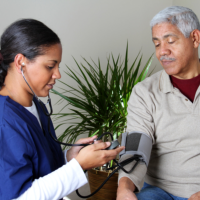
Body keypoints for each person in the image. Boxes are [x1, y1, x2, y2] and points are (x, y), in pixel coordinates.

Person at [0, 19, 124, 200]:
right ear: (20, 62)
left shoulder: (37, 107)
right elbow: (19, 197)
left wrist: (70, 157)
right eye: (50, 66)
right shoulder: (5, 121)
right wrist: (78, 166)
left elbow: (41, 167)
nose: (58, 74)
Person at [117, 6, 200, 200]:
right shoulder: (144, 92)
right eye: (156, 44)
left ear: (195, 38)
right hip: (159, 191)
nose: (162, 52)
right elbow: (136, 147)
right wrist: (125, 188)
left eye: (170, 41)